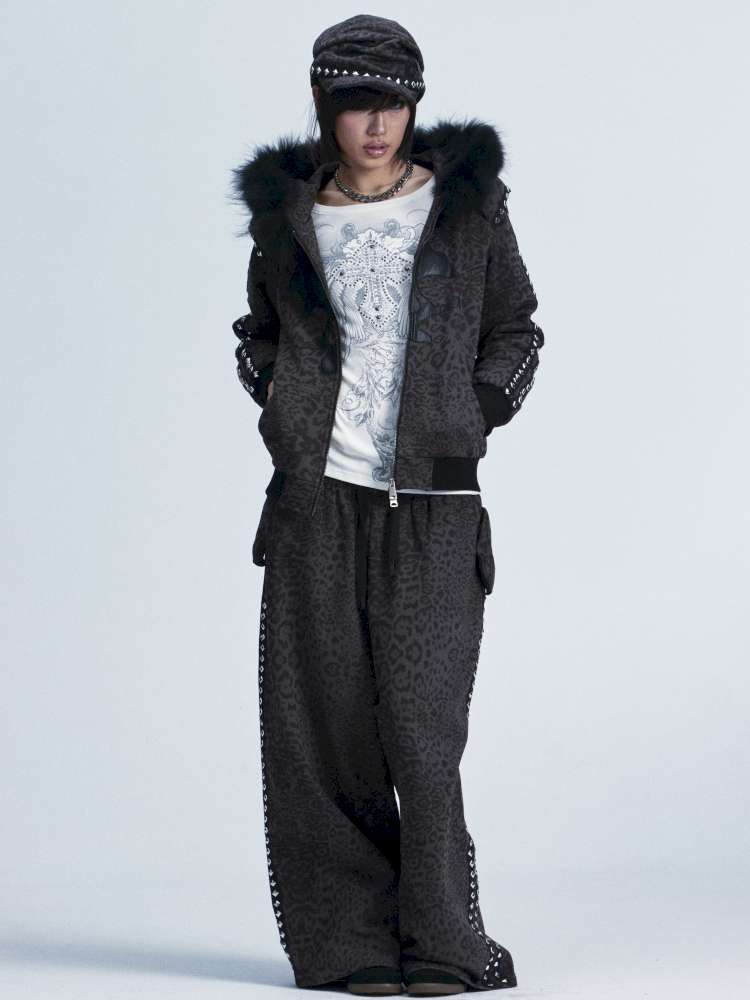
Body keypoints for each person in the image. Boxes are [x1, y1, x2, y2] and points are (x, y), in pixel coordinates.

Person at [229, 13, 543, 997]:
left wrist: (476, 409)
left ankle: (443, 940)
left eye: (392, 103)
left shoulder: (467, 210)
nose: (376, 123)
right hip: (314, 505)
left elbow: (517, 327)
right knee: (324, 731)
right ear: (324, 105)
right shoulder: (290, 217)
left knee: (422, 725)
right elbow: (257, 332)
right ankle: (346, 942)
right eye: (355, 103)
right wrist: (280, 401)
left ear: (415, 104)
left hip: (434, 503)